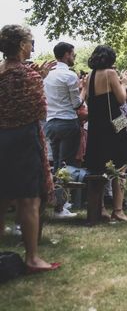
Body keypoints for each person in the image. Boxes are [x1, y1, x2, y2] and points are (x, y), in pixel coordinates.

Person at [0, 24, 59, 272]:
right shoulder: (28, 76)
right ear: (22, 45)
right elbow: (39, 110)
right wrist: (39, 78)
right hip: (24, 139)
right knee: (29, 199)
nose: (33, 46)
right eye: (31, 41)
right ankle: (32, 257)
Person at [84, 45, 127, 221]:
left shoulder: (89, 77)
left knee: (99, 166)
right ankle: (118, 210)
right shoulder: (110, 74)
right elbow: (121, 99)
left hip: (96, 126)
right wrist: (123, 84)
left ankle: (101, 208)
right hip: (114, 124)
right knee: (120, 165)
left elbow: (89, 100)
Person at [43, 42, 83, 219]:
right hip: (67, 122)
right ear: (66, 54)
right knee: (65, 165)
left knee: (56, 164)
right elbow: (76, 104)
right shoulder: (69, 75)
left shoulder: (46, 75)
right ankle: (60, 207)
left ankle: (55, 202)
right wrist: (85, 90)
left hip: (50, 123)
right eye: (73, 54)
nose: (74, 57)